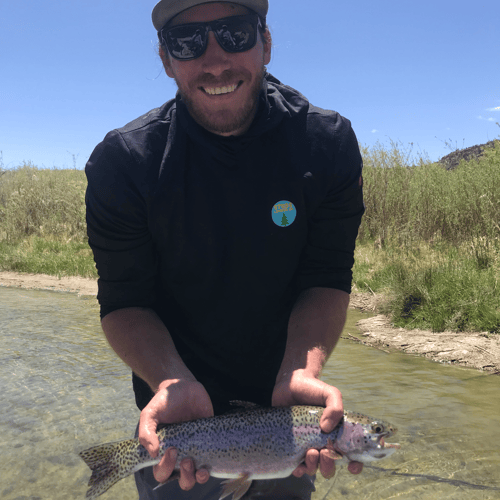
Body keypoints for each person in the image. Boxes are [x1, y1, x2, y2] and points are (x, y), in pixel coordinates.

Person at [85, 0, 365, 498]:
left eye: (234, 33)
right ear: (166, 59)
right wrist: (170, 379)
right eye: (188, 42)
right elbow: (124, 300)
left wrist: (301, 372)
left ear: (267, 43)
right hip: (173, 413)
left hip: (286, 420)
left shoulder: (326, 144)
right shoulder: (123, 162)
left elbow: (326, 277)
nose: (215, 61)